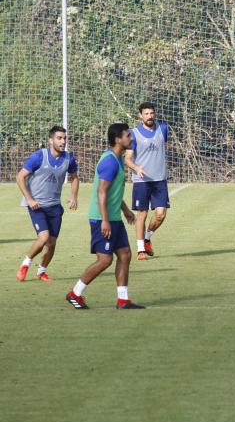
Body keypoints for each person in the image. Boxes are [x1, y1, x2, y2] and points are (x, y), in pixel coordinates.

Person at [66, 123, 143, 309]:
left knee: (124, 255)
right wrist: (105, 220)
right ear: (118, 139)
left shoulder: (118, 159)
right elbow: (102, 192)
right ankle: (74, 293)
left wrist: (124, 210)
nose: (131, 138)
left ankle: (123, 300)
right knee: (105, 260)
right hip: (102, 219)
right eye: (128, 135)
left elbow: (113, 191)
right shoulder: (109, 161)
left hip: (114, 217)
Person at [15, 125, 79, 282]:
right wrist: (30, 199)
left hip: (55, 206)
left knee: (51, 243)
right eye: (59, 138)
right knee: (43, 238)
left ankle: (41, 271)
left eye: (64, 138)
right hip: (37, 206)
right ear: (51, 140)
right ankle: (25, 264)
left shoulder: (68, 158)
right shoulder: (38, 157)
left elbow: (74, 177)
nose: (63, 141)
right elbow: (20, 177)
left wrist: (74, 196)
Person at [124, 102, 170, 261]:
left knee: (160, 214)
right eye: (146, 114)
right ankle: (140, 250)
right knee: (142, 214)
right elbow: (128, 159)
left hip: (160, 180)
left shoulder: (163, 129)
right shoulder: (134, 134)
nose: (150, 116)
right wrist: (136, 168)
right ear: (140, 115)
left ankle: (147, 237)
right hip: (142, 181)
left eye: (152, 113)